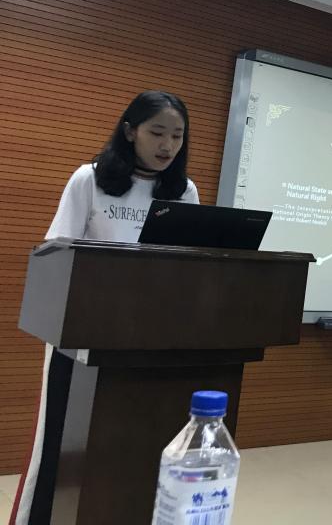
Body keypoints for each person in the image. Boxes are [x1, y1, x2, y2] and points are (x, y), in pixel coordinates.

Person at [10, 90, 199, 525]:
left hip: (152, 337)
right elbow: (57, 254)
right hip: (81, 334)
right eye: (157, 133)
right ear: (130, 131)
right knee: (61, 442)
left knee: (131, 441)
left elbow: (188, 265)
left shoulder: (183, 190)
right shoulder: (89, 180)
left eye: (177, 136)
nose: (168, 145)